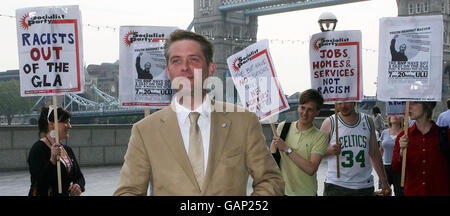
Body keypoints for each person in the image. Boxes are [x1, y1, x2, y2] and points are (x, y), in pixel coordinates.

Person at [114, 30, 284, 196]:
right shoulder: (144, 131)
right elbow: (128, 191)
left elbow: (270, 180)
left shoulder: (244, 121)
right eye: (176, 61)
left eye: (193, 60)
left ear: (210, 68)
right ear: (168, 71)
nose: (185, 68)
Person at [320, 102, 391, 196]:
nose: (343, 106)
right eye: (339, 103)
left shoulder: (367, 121)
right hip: (336, 186)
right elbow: (316, 153)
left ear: (355, 101)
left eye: (347, 102)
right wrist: (330, 150)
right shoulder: (330, 122)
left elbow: (374, 154)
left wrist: (384, 182)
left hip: (364, 186)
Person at [270, 89, 328, 196]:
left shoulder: (320, 137)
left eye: (310, 110)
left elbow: (311, 169)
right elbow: (273, 154)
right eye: (302, 107)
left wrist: (287, 149)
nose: (304, 113)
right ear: (298, 107)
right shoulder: (283, 127)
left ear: (317, 112)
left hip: (307, 193)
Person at [392, 102, 450, 196]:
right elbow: (395, 167)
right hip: (413, 191)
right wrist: (401, 152)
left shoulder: (445, 135)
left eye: (413, 103)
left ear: (427, 105)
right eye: (407, 103)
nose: (408, 107)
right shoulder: (403, 136)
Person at [27, 106, 85, 196]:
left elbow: (79, 176)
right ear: (51, 125)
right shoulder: (38, 149)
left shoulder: (67, 149)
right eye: (65, 122)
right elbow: (39, 183)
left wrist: (78, 186)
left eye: (69, 122)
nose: (70, 126)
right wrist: (52, 160)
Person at [378, 116, 404, 196]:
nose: (394, 116)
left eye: (397, 114)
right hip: (385, 167)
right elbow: (381, 150)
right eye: (392, 114)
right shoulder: (384, 132)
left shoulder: (405, 133)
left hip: (400, 167)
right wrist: (379, 167)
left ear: (402, 118)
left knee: (400, 192)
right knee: (385, 192)